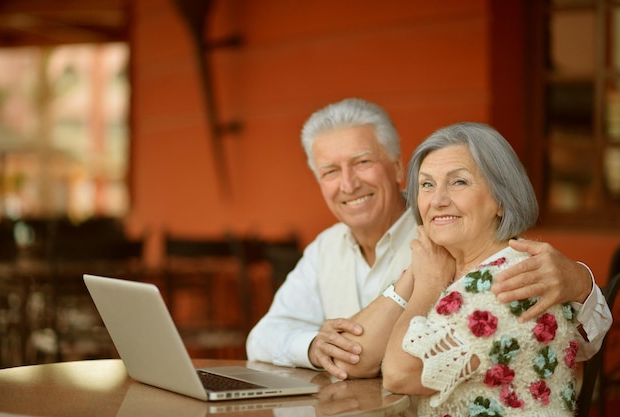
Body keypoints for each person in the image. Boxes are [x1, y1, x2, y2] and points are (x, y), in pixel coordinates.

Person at [245, 98, 611, 381]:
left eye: (361, 162)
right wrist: (311, 346)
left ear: (394, 165)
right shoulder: (326, 247)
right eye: (330, 171)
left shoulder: (456, 237)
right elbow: (262, 336)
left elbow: (574, 344)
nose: (348, 184)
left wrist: (581, 283)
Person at [380, 122, 593, 416]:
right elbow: (364, 355)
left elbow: (399, 374)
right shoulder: (453, 269)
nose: (438, 200)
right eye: (427, 184)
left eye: (459, 182)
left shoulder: (507, 282)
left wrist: (427, 283)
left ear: (501, 201)